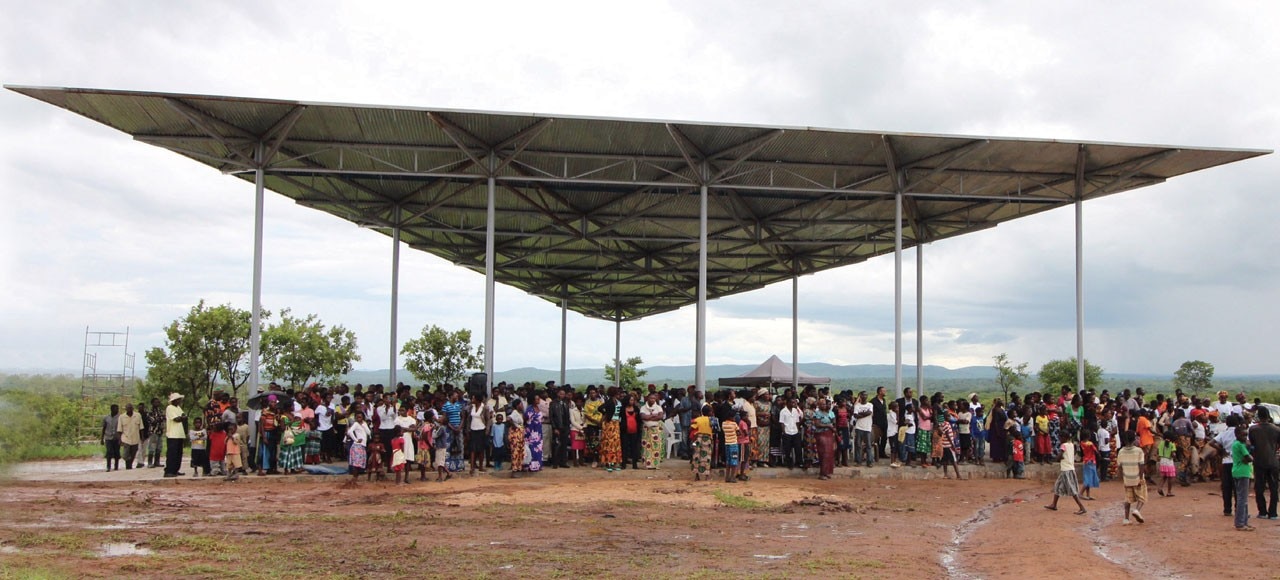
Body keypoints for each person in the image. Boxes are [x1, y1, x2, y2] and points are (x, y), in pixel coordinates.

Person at [1044, 430, 1087, 515]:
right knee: (1057, 486)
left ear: (1064, 438)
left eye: (1060, 437)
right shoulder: (1071, 445)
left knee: (1071, 489)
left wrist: (1055, 459)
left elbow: (1060, 455)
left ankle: (1082, 507)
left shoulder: (1063, 445)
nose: (1059, 439)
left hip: (1065, 470)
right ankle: (1054, 504)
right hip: (1069, 468)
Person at [1249, 406, 1280, 520]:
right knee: (1274, 487)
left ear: (1259, 416)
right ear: (1268, 416)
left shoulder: (1253, 429)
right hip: (1273, 462)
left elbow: (1252, 445)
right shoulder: (1276, 429)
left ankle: (1262, 511)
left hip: (1259, 461)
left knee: (1259, 487)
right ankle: (1273, 513)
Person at [1117, 431, 1147, 525]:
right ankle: (1137, 510)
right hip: (1137, 477)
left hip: (1127, 478)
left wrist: (1121, 477)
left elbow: (1119, 466)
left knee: (1128, 499)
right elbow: (1141, 465)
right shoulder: (1139, 451)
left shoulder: (1121, 451)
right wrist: (1141, 477)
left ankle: (1126, 519)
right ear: (1134, 439)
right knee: (1142, 497)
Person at [1232, 424, 1255, 531]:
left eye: (1246, 435)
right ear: (1237, 435)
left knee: (1243, 498)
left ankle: (1244, 521)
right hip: (1243, 472)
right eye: (1243, 435)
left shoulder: (1235, 444)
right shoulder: (1241, 445)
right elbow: (1249, 458)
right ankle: (1240, 523)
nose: (1245, 437)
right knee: (1242, 499)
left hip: (1237, 471)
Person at [163, 393, 187, 478]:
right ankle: (169, 471)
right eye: (178, 399)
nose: (179, 401)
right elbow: (176, 419)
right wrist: (182, 417)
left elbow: (183, 416)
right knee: (172, 453)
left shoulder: (178, 408)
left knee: (178, 453)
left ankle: (175, 470)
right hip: (172, 434)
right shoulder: (170, 408)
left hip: (180, 433)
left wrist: (183, 417)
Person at [640, 393, 665, 470]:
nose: (652, 400)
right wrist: (654, 415)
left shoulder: (658, 407)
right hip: (646, 430)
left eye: (654, 398)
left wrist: (649, 417)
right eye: (651, 398)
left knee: (656, 447)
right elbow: (643, 416)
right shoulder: (643, 408)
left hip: (656, 430)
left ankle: (655, 465)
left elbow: (660, 417)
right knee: (646, 447)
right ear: (647, 398)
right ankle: (647, 465)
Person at [813, 398, 837, 480]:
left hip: (829, 434)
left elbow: (834, 422)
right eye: (822, 404)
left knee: (830, 453)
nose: (824, 405)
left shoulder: (830, 413)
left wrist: (832, 426)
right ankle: (822, 473)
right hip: (821, 434)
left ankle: (827, 472)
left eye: (825, 404)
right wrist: (828, 425)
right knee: (823, 453)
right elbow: (817, 424)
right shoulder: (817, 413)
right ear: (819, 405)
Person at [345, 411, 370, 485]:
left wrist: (364, 425)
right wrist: (356, 439)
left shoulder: (364, 424)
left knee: (359, 464)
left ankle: (355, 479)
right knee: (356, 464)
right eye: (358, 417)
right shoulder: (355, 424)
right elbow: (349, 432)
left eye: (360, 417)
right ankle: (354, 479)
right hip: (357, 446)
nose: (359, 419)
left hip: (362, 445)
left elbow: (368, 432)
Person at [116, 403, 143, 471]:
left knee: (133, 453)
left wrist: (142, 437)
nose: (129, 409)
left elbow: (141, 427)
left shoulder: (138, 415)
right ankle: (128, 465)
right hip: (126, 438)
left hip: (135, 438)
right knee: (125, 455)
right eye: (128, 408)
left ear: (133, 408)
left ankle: (129, 466)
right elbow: (119, 429)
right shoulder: (121, 417)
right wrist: (120, 440)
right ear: (126, 409)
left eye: (130, 408)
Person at [550, 387, 572, 469]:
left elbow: (567, 415)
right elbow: (551, 416)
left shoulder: (566, 403)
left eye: (563, 394)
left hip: (565, 426)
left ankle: (563, 462)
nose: (562, 395)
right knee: (556, 445)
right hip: (557, 426)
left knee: (564, 445)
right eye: (561, 394)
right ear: (558, 394)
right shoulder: (553, 403)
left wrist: (568, 426)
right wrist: (554, 427)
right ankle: (555, 462)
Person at [778, 397, 803, 470]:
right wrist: (784, 432)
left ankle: (799, 462)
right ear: (788, 403)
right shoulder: (783, 411)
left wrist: (798, 430)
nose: (793, 404)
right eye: (792, 402)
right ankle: (789, 462)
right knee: (787, 449)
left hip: (795, 431)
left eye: (794, 402)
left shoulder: (795, 411)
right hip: (787, 431)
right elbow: (782, 422)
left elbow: (797, 421)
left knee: (798, 448)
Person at [691, 405, 714, 481]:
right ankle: (707, 476)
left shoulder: (697, 419)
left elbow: (692, 428)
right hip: (707, 439)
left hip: (698, 438)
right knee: (707, 458)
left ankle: (696, 476)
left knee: (697, 456)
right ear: (710, 412)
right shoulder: (712, 420)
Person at [853, 392, 874, 468]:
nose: (864, 396)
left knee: (868, 446)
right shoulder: (857, 405)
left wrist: (860, 414)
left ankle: (869, 462)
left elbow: (870, 412)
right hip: (859, 427)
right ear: (860, 396)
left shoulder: (870, 405)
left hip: (867, 427)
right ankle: (858, 461)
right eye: (863, 395)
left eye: (866, 395)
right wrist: (865, 413)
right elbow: (855, 415)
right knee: (858, 445)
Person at [525, 396, 544, 472]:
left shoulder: (538, 408)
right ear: (532, 400)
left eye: (539, 398)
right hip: (531, 432)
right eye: (537, 399)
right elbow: (525, 418)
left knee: (539, 448)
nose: (538, 400)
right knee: (532, 449)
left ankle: (538, 465)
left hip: (538, 431)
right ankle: (531, 466)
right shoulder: (529, 408)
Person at [1155, 429, 1177, 497]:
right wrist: (1174, 456)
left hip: (1162, 460)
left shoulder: (1161, 443)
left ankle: (1160, 488)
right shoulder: (1172, 444)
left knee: (1164, 476)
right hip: (1169, 461)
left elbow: (1158, 451)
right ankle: (1169, 491)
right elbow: (1173, 454)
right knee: (1171, 477)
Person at [507, 400, 525, 478]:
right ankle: (514, 469)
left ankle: (518, 467)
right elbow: (508, 419)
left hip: (520, 433)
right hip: (515, 434)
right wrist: (514, 426)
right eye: (521, 404)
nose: (522, 406)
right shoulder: (514, 413)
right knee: (515, 451)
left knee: (520, 451)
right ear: (517, 405)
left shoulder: (519, 413)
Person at [722, 411, 741, 483]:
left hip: (727, 443)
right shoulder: (734, 424)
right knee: (734, 461)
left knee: (728, 461)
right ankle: (733, 477)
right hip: (733, 444)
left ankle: (727, 477)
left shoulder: (723, 424)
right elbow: (739, 433)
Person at [101, 404, 121, 472]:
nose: (117, 410)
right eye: (116, 409)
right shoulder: (106, 418)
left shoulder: (120, 417)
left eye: (117, 409)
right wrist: (102, 439)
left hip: (116, 437)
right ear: (112, 409)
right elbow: (103, 428)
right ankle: (108, 466)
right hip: (108, 437)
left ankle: (116, 466)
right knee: (109, 452)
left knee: (116, 452)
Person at [1080, 432, 1099, 501]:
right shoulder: (1090, 443)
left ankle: (1088, 495)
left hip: (1086, 461)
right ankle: (1081, 493)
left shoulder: (1082, 443)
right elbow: (1096, 451)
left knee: (1088, 477)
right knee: (1088, 479)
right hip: (1091, 461)